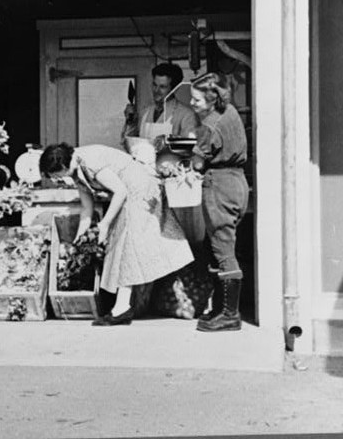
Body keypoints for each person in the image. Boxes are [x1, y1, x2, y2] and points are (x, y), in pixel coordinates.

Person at [39, 143, 193, 326]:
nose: (57, 180)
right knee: (121, 246)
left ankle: (122, 308)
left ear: (63, 166)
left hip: (140, 191)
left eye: (56, 176)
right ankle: (122, 306)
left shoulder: (90, 161)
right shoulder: (76, 171)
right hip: (128, 195)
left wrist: (104, 224)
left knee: (126, 244)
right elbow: (86, 210)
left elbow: (120, 192)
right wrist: (78, 240)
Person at [188, 72, 250, 332]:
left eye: (197, 100)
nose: (192, 103)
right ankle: (220, 308)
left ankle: (229, 314)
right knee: (222, 246)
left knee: (222, 250)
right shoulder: (231, 113)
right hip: (237, 182)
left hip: (219, 186)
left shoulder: (208, 126)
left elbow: (198, 162)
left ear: (212, 100)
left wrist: (189, 160)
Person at [123, 63, 198, 144]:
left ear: (174, 89)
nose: (156, 90)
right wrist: (130, 122)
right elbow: (128, 144)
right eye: (154, 85)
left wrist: (166, 143)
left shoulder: (186, 115)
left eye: (162, 87)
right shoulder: (144, 113)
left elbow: (190, 149)